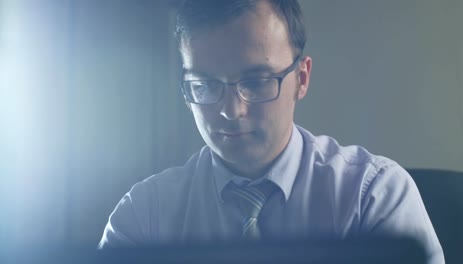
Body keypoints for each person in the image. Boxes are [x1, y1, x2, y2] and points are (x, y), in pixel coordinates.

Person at [98, 0, 444, 263]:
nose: (231, 110)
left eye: (257, 81)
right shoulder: (143, 218)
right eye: (204, 85)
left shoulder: (372, 196)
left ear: (302, 79)